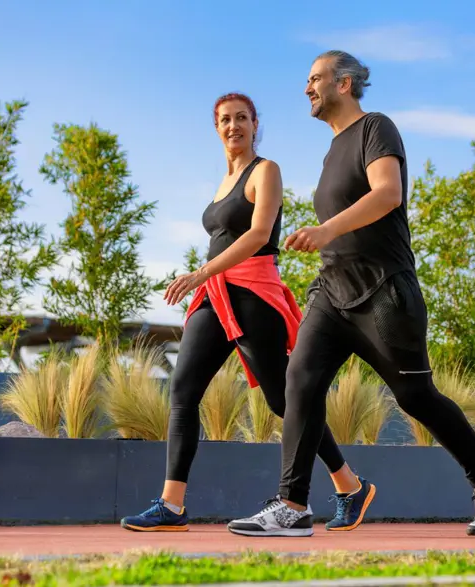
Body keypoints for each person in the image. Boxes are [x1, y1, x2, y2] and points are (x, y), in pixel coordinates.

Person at [227, 51, 475, 538]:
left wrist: (325, 230)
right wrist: (325, 242)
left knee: (416, 397)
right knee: (300, 381)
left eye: (315, 79)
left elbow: (387, 193)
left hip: (384, 291)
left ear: (343, 83)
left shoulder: (375, 128)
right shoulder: (332, 150)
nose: (306, 88)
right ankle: (292, 504)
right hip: (332, 291)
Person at [120, 92, 376, 534]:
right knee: (183, 389)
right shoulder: (224, 181)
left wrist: (200, 272)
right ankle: (172, 506)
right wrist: (206, 279)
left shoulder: (265, 171)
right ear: (216, 127)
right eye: (225, 119)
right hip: (215, 296)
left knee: (283, 400)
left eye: (242, 118)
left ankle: (349, 485)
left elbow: (259, 234)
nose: (233, 126)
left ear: (255, 124)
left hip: (254, 293)